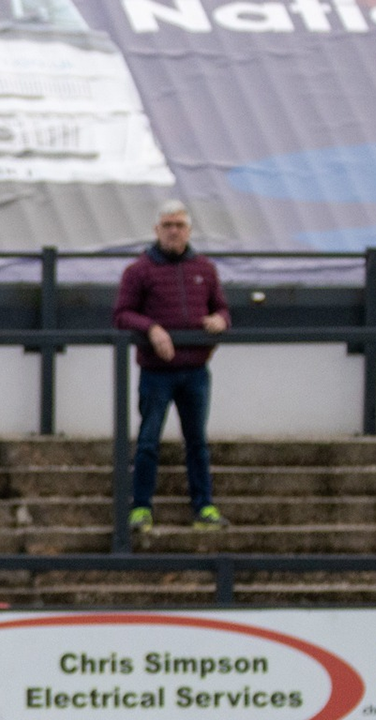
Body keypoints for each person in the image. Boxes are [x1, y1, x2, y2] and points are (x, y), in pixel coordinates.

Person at [114, 200, 231, 534]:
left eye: (179, 225)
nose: (173, 231)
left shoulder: (205, 269)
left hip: (195, 369)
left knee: (197, 441)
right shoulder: (138, 271)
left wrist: (219, 321)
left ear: (188, 230)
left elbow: (222, 309)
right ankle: (140, 508)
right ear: (157, 229)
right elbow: (122, 314)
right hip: (156, 372)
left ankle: (204, 505)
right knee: (149, 440)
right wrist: (151, 328)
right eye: (167, 225)